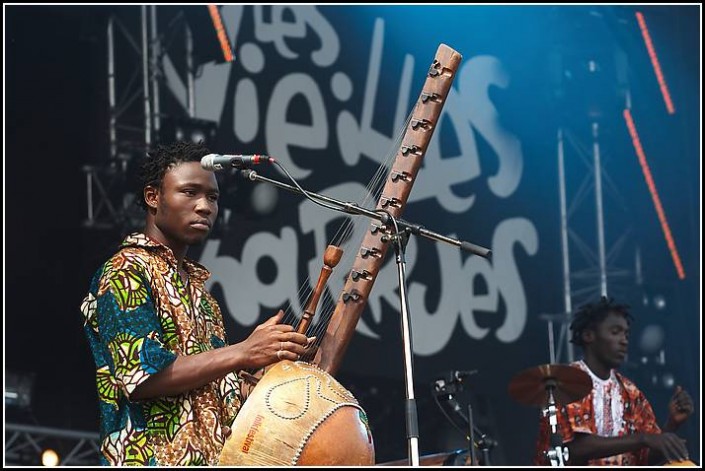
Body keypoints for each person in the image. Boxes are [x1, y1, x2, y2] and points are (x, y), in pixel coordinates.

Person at [80, 141, 313, 466]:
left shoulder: (204, 299)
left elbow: (219, 392)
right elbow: (143, 378)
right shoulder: (126, 270)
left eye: (213, 197)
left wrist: (269, 364)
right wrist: (243, 351)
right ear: (153, 197)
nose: (205, 206)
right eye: (189, 192)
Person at [533, 296, 694, 466]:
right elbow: (575, 450)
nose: (624, 340)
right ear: (589, 336)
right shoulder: (567, 381)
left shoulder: (630, 392)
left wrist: (672, 423)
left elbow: (646, 458)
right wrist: (644, 439)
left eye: (626, 334)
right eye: (615, 332)